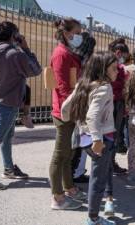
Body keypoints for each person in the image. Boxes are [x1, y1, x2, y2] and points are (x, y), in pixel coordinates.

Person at [0, 21, 41, 190]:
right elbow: (36, 69)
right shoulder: (14, 54)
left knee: (6, 135)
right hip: (9, 102)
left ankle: (8, 168)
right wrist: (26, 49)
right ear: (13, 36)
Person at [62, 52, 117, 225]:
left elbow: (65, 107)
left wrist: (66, 119)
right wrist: (97, 140)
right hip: (101, 139)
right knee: (98, 180)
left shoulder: (84, 84)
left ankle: (103, 208)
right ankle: (93, 219)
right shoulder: (104, 87)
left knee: (102, 172)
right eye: (114, 68)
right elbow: (93, 116)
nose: (117, 72)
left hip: (83, 138)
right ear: (103, 69)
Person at [49, 18, 86, 210]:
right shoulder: (61, 54)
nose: (80, 36)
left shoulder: (68, 52)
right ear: (67, 33)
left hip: (70, 110)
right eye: (78, 32)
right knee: (60, 154)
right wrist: (73, 109)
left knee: (68, 153)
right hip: (65, 112)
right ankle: (57, 197)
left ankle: (69, 188)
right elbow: (63, 87)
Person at [70, 31, 97, 184]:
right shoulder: (88, 64)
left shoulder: (74, 58)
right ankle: (76, 173)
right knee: (82, 140)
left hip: (74, 105)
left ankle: (76, 172)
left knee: (77, 140)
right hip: (83, 106)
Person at [108, 38, 130, 175]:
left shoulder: (105, 63)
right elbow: (118, 85)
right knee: (112, 136)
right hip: (115, 104)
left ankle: (109, 162)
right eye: (124, 57)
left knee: (110, 136)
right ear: (118, 53)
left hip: (112, 103)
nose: (124, 60)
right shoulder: (116, 68)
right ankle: (110, 163)